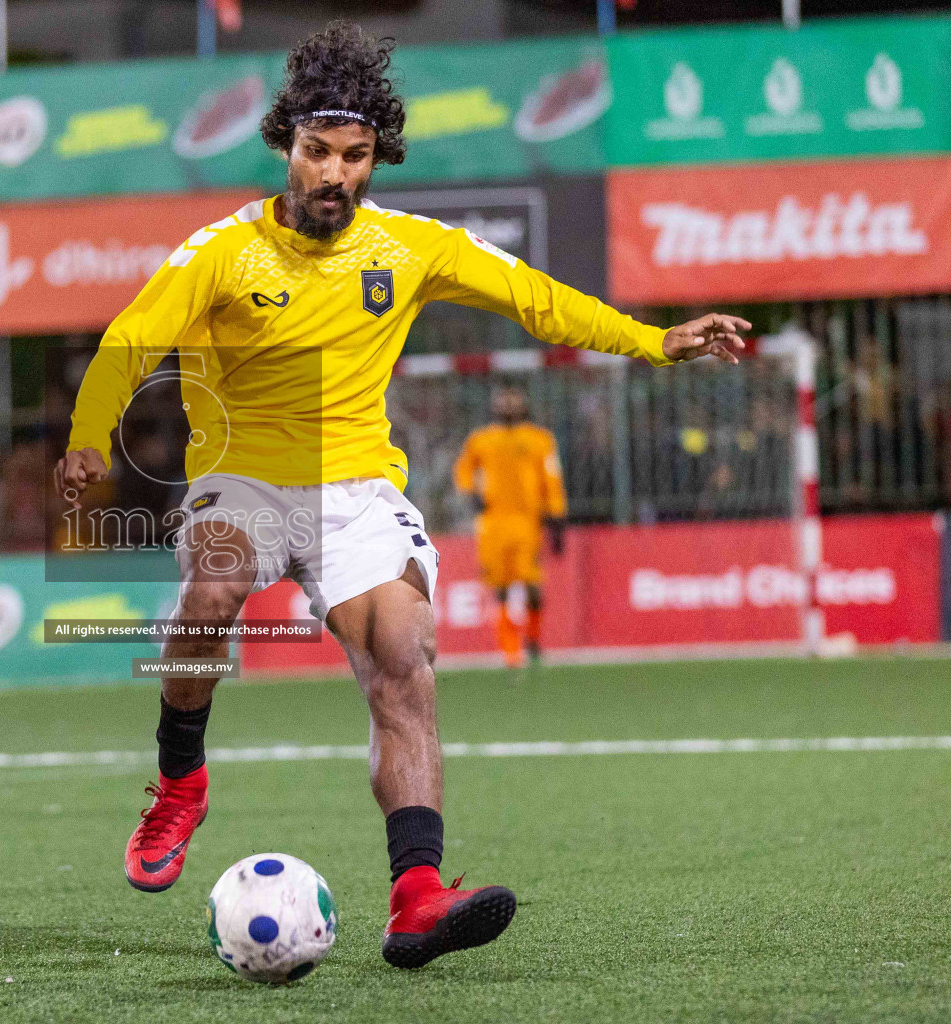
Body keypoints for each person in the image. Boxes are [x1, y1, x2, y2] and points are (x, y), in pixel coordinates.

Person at [54, 21, 747, 970]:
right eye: (316, 152)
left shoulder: (412, 248)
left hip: (357, 493)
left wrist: (653, 340)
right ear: (285, 148)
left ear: (376, 158)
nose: (334, 173)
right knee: (213, 589)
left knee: (404, 651)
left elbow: (538, 298)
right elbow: (127, 345)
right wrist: (89, 441)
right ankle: (181, 780)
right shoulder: (219, 252)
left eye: (354, 155)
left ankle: (417, 895)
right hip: (243, 479)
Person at [452, 386, 566, 669]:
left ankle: (534, 641)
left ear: (525, 404)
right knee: (499, 587)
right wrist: (470, 494)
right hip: (493, 523)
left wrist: (557, 517)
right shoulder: (481, 440)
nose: (508, 403)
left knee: (532, 586)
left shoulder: (540, 440)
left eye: (513, 398)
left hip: (528, 521)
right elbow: (464, 470)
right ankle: (511, 653)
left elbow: (550, 478)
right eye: (503, 398)